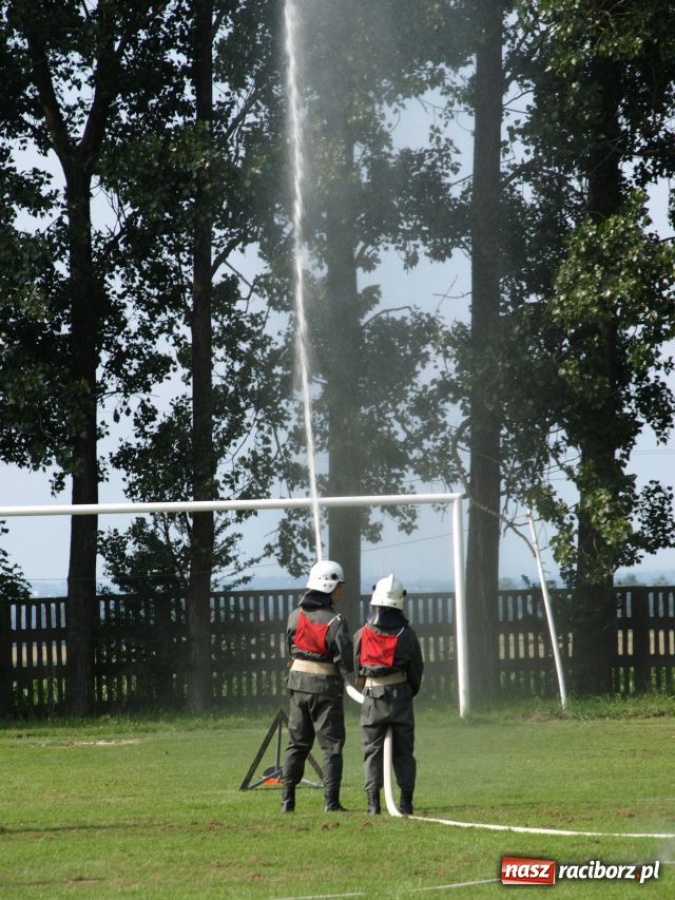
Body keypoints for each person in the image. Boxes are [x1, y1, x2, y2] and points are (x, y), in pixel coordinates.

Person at [281, 559, 353, 813]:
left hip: (297, 685)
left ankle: (287, 803)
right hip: (325, 687)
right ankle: (331, 803)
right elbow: (345, 660)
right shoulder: (336, 621)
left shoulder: (294, 615)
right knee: (331, 746)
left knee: (297, 744)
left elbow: (290, 648)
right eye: (340, 586)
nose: (341, 591)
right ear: (330, 587)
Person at [353, 574, 424, 816]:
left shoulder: (362, 633)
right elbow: (416, 670)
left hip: (373, 697)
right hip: (401, 696)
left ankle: (373, 804)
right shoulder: (407, 634)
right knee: (404, 752)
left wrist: (366, 687)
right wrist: (408, 692)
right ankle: (406, 802)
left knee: (372, 750)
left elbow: (357, 668)